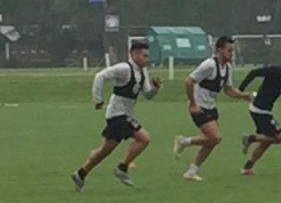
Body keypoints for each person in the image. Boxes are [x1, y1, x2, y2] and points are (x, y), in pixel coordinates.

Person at [71, 41, 160, 191]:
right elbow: (100, 76)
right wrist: (98, 99)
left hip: (124, 114)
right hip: (117, 114)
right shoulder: (124, 68)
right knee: (144, 138)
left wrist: (155, 88)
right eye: (144, 56)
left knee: (105, 150)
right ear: (135, 54)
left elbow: (147, 95)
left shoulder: (143, 71)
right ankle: (122, 168)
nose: (147, 59)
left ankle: (80, 174)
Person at [173, 36, 252, 180]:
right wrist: (192, 103)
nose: (231, 53)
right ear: (219, 50)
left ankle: (191, 171)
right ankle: (183, 142)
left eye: (232, 51)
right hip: (199, 107)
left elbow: (228, 90)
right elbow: (188, 81)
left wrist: (243, 95)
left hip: (211, 107)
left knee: (212, 141)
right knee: (215, 137)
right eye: (229, 50)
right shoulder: (209, 65)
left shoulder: (227, 68)